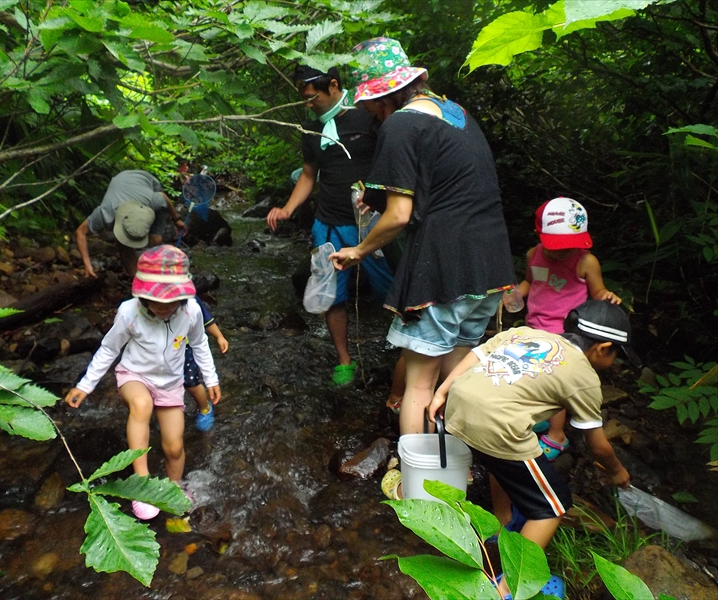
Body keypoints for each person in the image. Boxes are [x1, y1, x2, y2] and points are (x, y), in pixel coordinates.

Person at [329, 38, 515, 436]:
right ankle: (455, 466)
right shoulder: (455, 112)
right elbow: (446, 181)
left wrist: (359, 250)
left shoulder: (401, 123)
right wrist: (375, 198)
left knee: (419, 385)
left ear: (382, 100)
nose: (369, 115)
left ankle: (415, 486)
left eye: (368, 107)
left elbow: (399, 215)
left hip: (443, 268)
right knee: (455, 379)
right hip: (491, 266)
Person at [426, 299, 640, 599]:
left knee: (501, 463)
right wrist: (618, 471)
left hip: (459, 409)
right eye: (616, 356)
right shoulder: (584, 376)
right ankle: (506, 589)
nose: (614, 364)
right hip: (498, 426)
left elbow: (477, 354)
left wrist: (442, 391)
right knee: (551, 507)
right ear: (603, 348)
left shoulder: (528, 333)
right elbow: (598, 446)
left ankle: (502, 527)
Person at [64, 245, 220, 520]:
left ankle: (174, 486)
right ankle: (143, 485)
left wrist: (211, 379)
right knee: (141, 404)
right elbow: (110, 349)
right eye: (155, 300)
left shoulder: (191, 311)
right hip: (133, 376)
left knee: (174, 446)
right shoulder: (129, 312)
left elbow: (199, 344)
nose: (163, 306)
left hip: (171, 383)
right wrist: (86, 385)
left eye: (170, 300)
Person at [266, 65, 393, 387]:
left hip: (372, 222)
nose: (308, 105)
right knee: (331, 296)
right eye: (304, 100)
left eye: (313, 98)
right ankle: (344, 359)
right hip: (329, 223)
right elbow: (309, 174)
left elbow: (392, 158)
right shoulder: (311, 129)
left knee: (392, 291)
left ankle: (402, 352)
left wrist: (377, 190)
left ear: (334, 86)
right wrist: (288, 208)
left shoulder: (367, 117)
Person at [514, 197, 622, 461]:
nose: (562, 253)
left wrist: (609, 298)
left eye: (568, 247)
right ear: (540, 235)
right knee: (531, 376)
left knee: (555, 383)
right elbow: (530, 282)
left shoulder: (586, 262)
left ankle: (557, 434)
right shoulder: (533, 254)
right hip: (535, 325)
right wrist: (516, 294)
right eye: (556, 247)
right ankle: (540, 416)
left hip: (568, 332)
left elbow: (598, 293)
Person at [75, 170, 186, 278]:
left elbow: (164, 197)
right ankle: (135, 278)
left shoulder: (153, 201)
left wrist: (177, 220)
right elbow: (81, 232)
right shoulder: (106, 212)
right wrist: (87, 265)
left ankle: (159, 271)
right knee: (123, 243)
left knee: (155, 239)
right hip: (122, 180)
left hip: (147, 182)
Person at [185, 295, 229, 432]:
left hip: (184, 348)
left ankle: (204, 407)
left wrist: (219, 336)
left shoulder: (190, 301)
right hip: (158, 354)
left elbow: (206, 319)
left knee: (190, 382)